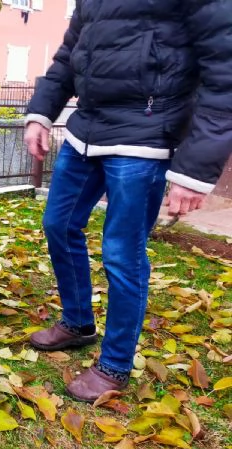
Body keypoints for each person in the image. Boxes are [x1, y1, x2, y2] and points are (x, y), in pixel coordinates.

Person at [24, 0, 232, 402]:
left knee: (122, 252)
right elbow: (70, 54)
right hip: (86, 128)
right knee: (59, 225)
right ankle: (79, 322)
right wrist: (40, 112)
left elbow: (225, 71)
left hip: (147, 133)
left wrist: (194, 170)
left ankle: (115, 364)